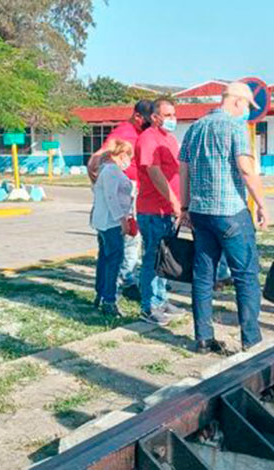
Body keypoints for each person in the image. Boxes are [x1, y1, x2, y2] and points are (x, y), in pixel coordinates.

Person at [179, 81, 269, 354]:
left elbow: (184, 169)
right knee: (245, 275)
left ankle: (203, 337)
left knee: (203, 276)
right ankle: (251, 339)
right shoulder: (235, 127)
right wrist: (262, 203)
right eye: (247, 107)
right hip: (230, 211)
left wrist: (184, 207)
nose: (247, 113)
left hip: (200, 211)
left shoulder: (195, 128)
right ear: (238, 101)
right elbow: (244, 167)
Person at [87, 100, 155, 302]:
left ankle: (106, 292)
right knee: (118, 251)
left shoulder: (141, 134)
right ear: (138, 117)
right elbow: (97, 159)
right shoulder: (124, 134)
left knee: (112, 253)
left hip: (124, 200)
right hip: (115, 213)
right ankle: (122, 285)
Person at [135, 99, 187, 325]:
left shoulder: (170, 139)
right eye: (167, 114)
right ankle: (148, 305)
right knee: (152, 258)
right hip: (153, 209)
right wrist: (173, 201)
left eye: (174, 114)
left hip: (168, 211)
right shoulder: (148, 139)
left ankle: (161, 298)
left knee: (164, 258)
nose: (172, 118)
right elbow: (154, 172)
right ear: (154, 117)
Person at [91, 139, 134, 317]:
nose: (129, 161)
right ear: (123, 155)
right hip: (111, 222)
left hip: (106, 221)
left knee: (105, 259)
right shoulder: (112, 171)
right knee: (113, 261)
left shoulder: (107, 170)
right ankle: (109, 299)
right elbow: (111, 198)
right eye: (129, 157)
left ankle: (101, 294)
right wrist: (122, 219)